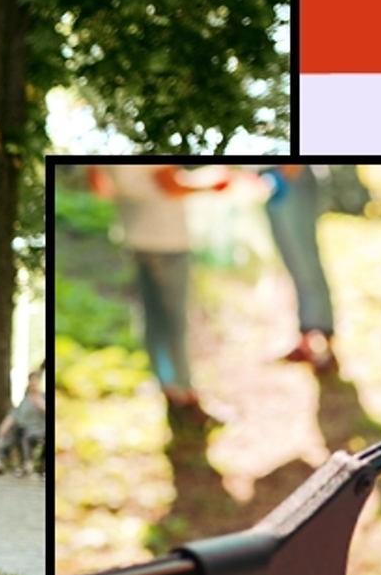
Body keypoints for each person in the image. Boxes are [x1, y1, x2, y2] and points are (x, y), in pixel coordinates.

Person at [95, 164, 227, 429]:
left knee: (152, 318)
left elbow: (100, 188)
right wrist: (212, 182)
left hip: (135, 238)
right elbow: (171, 184)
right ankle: (187, 396)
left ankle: (168, 388)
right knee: (176, 321)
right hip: (168, 240)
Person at [254, 165, 339, 371]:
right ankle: (305, 343)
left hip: (291, 181)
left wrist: (288, 172)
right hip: (275, 184)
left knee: (307, 264)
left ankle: (327, 346)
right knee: (296, 267)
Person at [0, 362, 48, 476]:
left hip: (38, 430)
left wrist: (38, 402)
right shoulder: (25, 400)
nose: (32, 384)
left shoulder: (42, 397)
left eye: (35, 382)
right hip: (22, 429)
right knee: (7, 433)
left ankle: (27, 465)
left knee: (27, 437)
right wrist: (5, 425)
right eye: (31, 382)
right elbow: (15, 414)